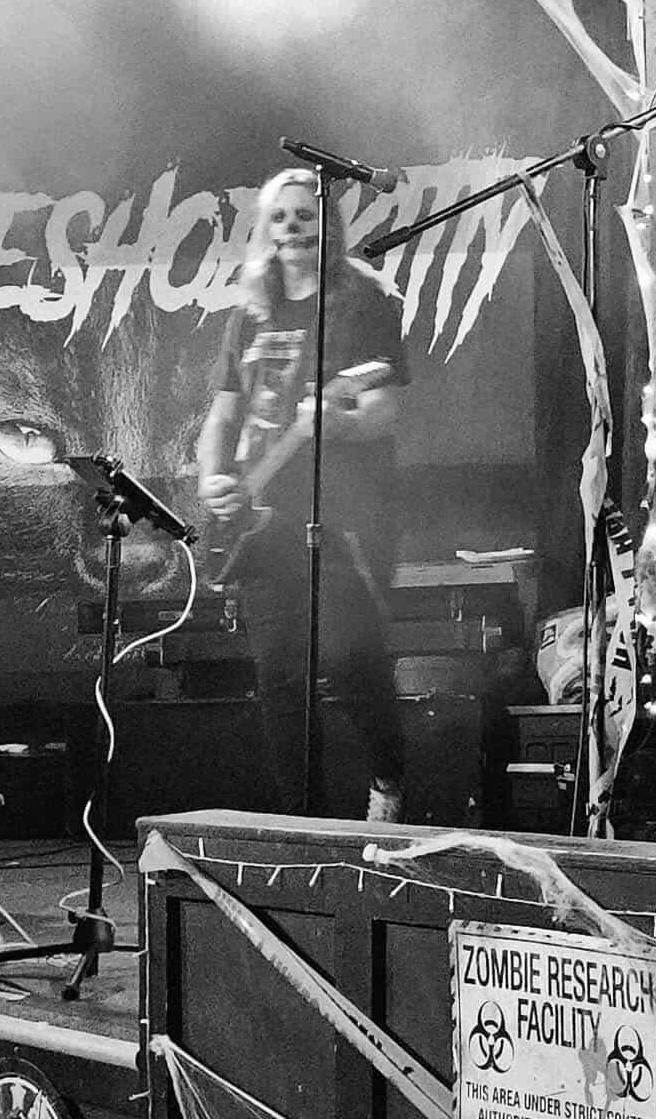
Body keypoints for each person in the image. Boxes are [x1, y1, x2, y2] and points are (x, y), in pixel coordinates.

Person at [196, 167, 412, 823]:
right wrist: (213, 479)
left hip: (343, 516)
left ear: (329, 224)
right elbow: (222, 415)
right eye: (280, 216)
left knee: (351, 660)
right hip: (262, 521)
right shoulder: (250, 312)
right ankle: (302, 826)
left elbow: (384, 410)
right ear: (266, 229)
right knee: (280, 679)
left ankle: (389, 777)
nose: (292, 227)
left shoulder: (363, 302)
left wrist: (339, 424)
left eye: (305, 215)